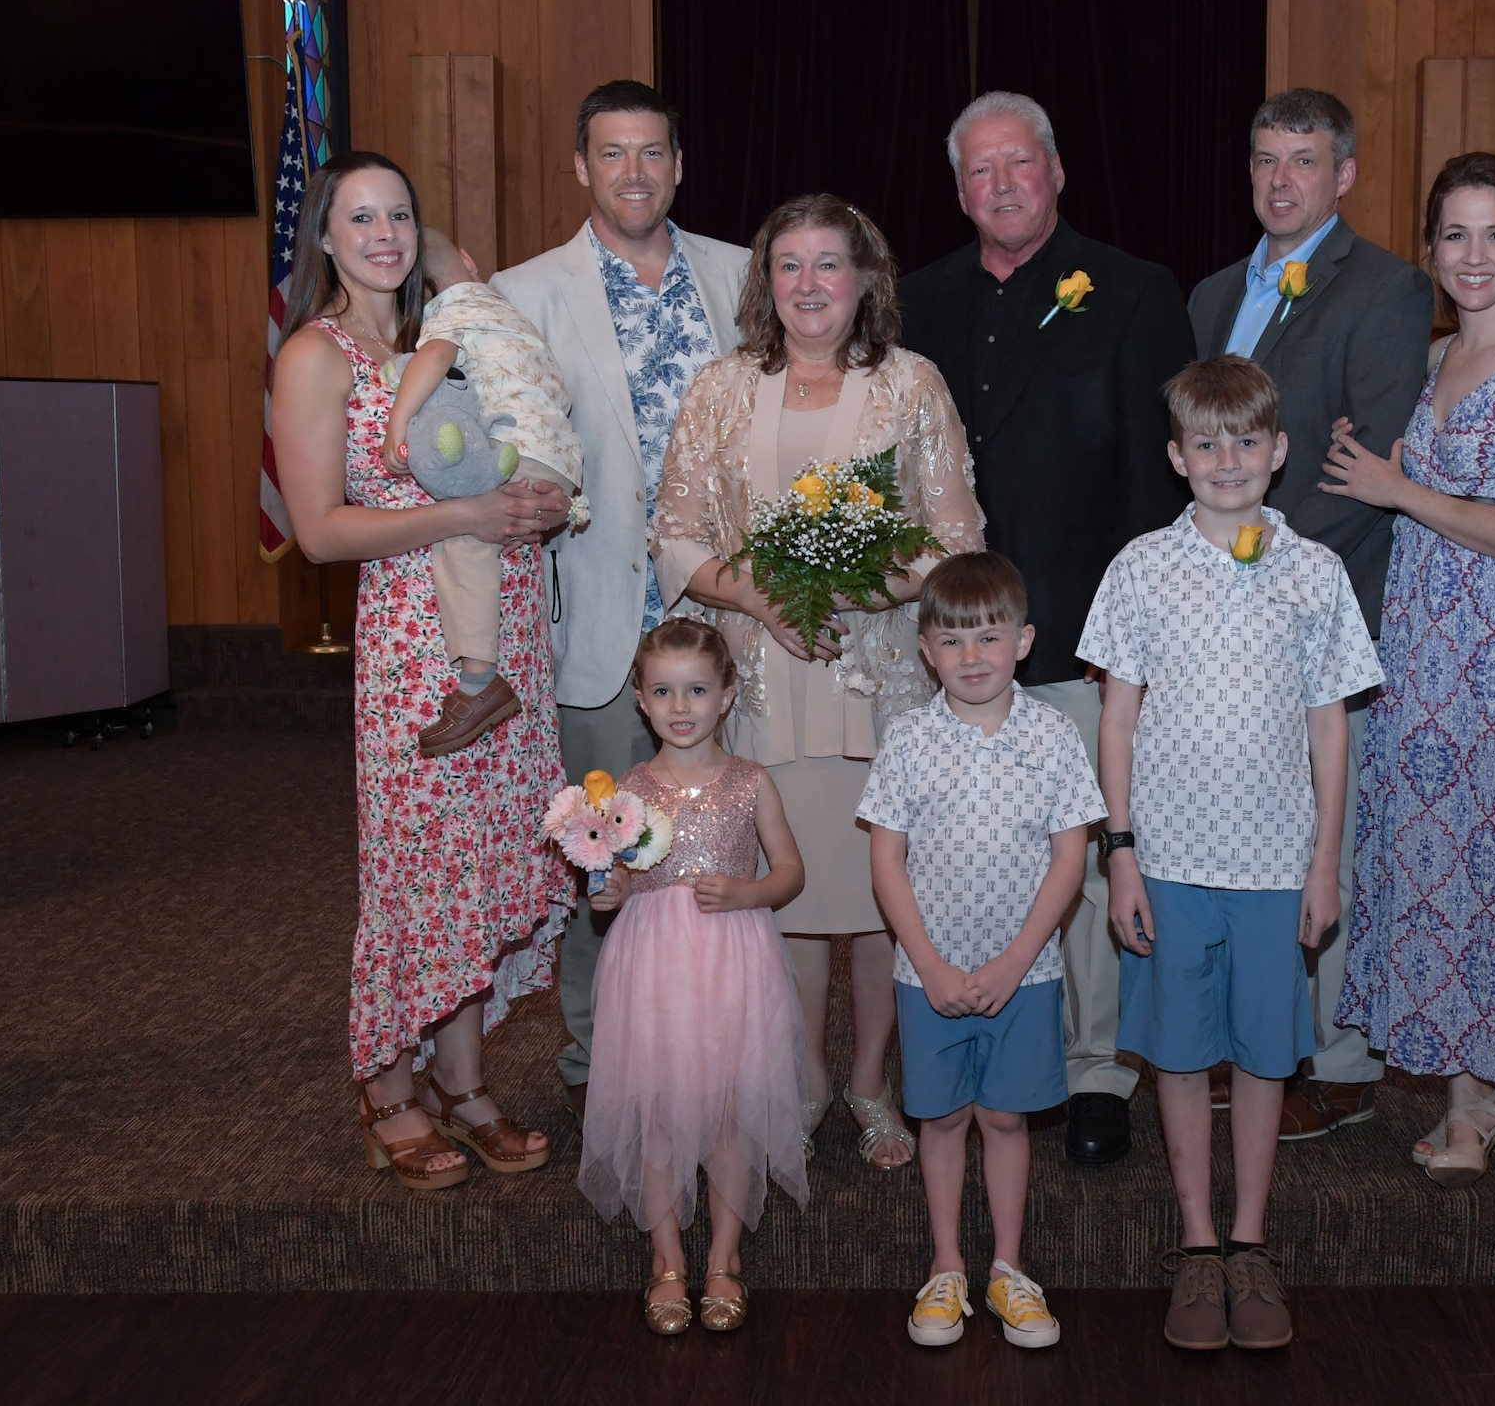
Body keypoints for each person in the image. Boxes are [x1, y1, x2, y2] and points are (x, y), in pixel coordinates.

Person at [653, 195, 986, 1170]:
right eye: (788, 265)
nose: (807, 284)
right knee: (788, 895)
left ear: (864, 280)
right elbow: (674, 531)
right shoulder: (719, 388)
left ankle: (871, 1083)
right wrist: (761, 599)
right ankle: (802, 1079)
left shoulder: (909, 385)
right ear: (766, 283)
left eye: (827, 264)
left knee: (881, 898)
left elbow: (956, 535)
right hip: (759, 679)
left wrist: (853, 582)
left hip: (875, 676)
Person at [900, 91, 1195, 1166]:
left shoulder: (1131, 290)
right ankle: (971, 1044)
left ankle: (1096, 1068)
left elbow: (1151, 486)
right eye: (978, 172)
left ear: (1056, 170)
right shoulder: (916, 299)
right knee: (958, 855)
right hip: (947, 641)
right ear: (958, 188)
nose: (1001, 186)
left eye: (1017, 164)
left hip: (1077, 629)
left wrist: (1131, 640)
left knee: (1080, 854)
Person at [269, 152, 573, 1191]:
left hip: (511, 639)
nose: (384, 234)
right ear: (324, 238)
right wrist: (463, 515)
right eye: (360, 218)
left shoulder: (452, 335)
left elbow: (512, 446)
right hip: (412, 647)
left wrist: (528, 504)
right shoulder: (318, 357)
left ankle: (464, 1081)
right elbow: (317, 532)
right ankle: (389, 1087)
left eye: (398, 213)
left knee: (485, 862)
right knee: (419, 868)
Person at [1078, 356, 1382, 1350]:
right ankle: (1197, 1244)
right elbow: (1113, 721)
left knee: (1261, 1052)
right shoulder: (1139, 566)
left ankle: (1249, 1239)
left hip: (1271, 863)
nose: (1224, 459)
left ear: (1277, 449)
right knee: (1173, 1049)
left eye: (1244, 440)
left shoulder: (1313, 572)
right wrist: (1118, 851)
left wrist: (1323, 860)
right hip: (1165, 856)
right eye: (1203, 443)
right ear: (1175, 456)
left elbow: (1329, 728)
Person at [1327, 152, 1495, 1187]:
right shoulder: (1436, 356)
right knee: (1434, 866)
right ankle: (1466, 1093)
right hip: (1425, 646)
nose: (1472, 255)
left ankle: (1479, 1109)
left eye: (1493, 234)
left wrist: (1394, 487)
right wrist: (1375, 462)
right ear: (1430, 247)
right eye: (1452, 234)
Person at [491, 81, 751, 1118]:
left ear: (678, 166)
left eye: (652, 153)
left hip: (728, 622)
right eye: (611, 153)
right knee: (600, 852)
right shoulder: (525, 293)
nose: (633, 172)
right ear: (580, 167)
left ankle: (726, 1048)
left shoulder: (741, 276)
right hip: (596, 626)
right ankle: (599, 1066)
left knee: (724, 842)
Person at [1187, 89, 1436, 1138]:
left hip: (1313, 611)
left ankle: (1335, 1059)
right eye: (1263, 160)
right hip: (1213, 621)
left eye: (1303, 161)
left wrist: (1253, 584)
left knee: (1322, 837)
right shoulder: (1210, 296)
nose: (1279, 179)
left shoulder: (1382, 289)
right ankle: (1257, 1044)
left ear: (1341, 176)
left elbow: (1358, 468)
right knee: (1243, 839)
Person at [858, 553, 1106, 1351]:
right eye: (953, 640)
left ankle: (1008, 1267)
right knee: (942, 1117)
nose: (972, 657)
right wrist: (927, 961)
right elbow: (886, 860)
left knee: (1004, 1116)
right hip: (925, 971)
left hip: (1022, 972)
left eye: (989, 637)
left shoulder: (1055, 736)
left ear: (1024, 641)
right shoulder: (906, 740)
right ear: (926, 650)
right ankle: (945, 1265)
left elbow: (1070, 859)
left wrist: (1013, 961)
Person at [577, 618, 809, 1336]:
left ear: (728, 695)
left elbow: (790, 872)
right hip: (653, 967)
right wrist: (609, 893)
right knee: (659, 1109)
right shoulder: (628, 791)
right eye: (664, 691)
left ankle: (724, 1258)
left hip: (734, 961)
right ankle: (667, 1259)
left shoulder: (750, 782)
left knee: (732, 1108)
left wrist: (748, 891)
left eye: (698, 690)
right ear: (642, 701)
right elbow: (610, 880)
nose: (682, 706)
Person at [380, 228, 585, 756]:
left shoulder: (446, 317)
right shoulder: (509, 313)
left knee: (465, 532)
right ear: (469, 261)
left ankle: (478, 682)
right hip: (558, 455)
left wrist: (398, 423)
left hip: (515, 450)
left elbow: (437, 357)